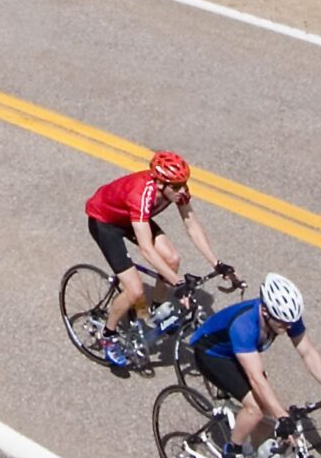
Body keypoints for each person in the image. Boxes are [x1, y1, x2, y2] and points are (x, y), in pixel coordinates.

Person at [186, 273, 321, 458]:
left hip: (241, 352)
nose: (288, 328)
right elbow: (256, 379)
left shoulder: (285, 318)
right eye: (283, 324)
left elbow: (308, 352)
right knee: (255, 409)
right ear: (265, 311)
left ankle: (253, 456)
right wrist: (282, 417)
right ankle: (232, 451)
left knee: (269, 412)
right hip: (213, 354)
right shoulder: (245, 326)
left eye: (291, 322)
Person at [85, 152, 234, 366]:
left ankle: (155, 310)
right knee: (135, 290)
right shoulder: (141, 195)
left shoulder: (176, 190)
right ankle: (108, 336)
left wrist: (217, 263)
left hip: (132, 219)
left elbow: (192, 226)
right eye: (176, 186)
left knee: (172, 258)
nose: (182, 190)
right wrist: (177, 283)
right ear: (159, 183)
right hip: (105, 222)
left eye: (184, 183)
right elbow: (146, 249)